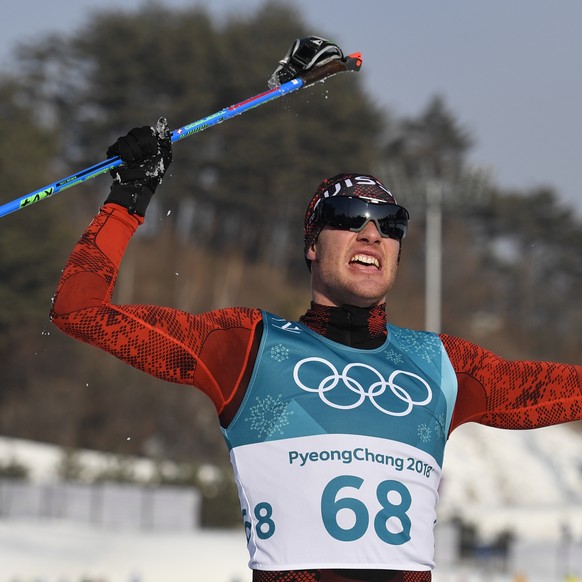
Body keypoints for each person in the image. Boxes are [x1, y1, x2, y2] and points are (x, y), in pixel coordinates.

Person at [50, 120, 582, 582]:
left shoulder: (442, 364)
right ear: (312, 243)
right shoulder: (250, 345)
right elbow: (80, 311)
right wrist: (128, 201)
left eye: (389, 224)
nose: (372, 233)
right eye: (349, 218)